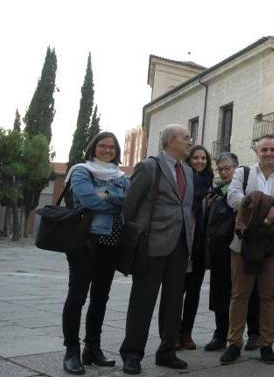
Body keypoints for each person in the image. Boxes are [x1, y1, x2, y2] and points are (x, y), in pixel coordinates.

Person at [119, 124, 194, 374]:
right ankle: (132, 354)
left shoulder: (188, 171)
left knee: (174, 303)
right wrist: (137, 236)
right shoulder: (150, 166)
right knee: (142, 301)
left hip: (180, 246)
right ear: (170, 141)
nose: (190, 141)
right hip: (151, 244)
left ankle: (166, 352)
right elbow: (130, 206)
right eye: (186, 137)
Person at [220, 135, 274, 365]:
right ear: (257, 152)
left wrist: (270, 212)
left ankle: (267, 343)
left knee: (269, 295)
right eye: (264, 149)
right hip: (243, 242)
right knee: (239, 293)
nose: (268, 153)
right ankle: (234, 342)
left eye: (272, 150)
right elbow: (233, 197)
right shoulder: (242, 174)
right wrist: (254, 205)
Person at [61, 132, 130, 375]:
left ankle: (92, 347)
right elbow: (88, 200)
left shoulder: (121, 176)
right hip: (84, 241)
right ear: (93, 147)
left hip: (112, 244)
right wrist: (115, 201)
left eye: (112, 147)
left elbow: (129, 202)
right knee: (77, 297)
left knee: (100, 297)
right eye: (103, 145)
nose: (108, 150)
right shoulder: (81, 171)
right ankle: (71, 351)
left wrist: (108, 194)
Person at [203, 152, 261, 352]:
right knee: (220, 292)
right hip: (221, 251)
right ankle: (221, 334)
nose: (224, 172)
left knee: (250, 292)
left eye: (228, 168)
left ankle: (254, 333)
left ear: (236, 169)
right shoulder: (216, 193)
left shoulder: (247, 189)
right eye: (221, 170)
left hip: (243, 249)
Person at [176, 145, 214, 350]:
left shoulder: (209, 185)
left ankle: (187, 333)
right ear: (189, 161)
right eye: (196, 158)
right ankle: (173, 332)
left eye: (203, 159)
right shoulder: (182, 181)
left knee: (193, 293)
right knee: (176, 292)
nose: (200, 161)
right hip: (182, 243)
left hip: (200, 246)